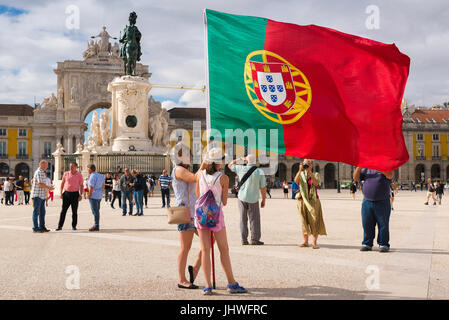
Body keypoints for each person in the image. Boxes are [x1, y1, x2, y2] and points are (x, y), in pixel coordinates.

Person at [196, 148, 247, 295]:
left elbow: (198, 194)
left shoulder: (200, 175)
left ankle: (207, 285)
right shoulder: (224, 178)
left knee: (205, 250)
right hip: (216, 216)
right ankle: (231, 283)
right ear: (220, 162)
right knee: (223, 249)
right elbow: (224, 202)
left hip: (201, 215)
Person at [171, 142, 203, 290]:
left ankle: (195, 267)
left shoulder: (185, 170)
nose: (190, 156)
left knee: (209, 240)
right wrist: (204, 162)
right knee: (185, 247)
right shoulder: (179, 170)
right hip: (185, 212)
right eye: (187, 154)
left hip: (194, 212)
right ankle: (182, 279)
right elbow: (195, 178)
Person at [228, 154, 266, 246]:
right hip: (253, 198)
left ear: (246, 161)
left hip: (242, 197)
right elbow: (263, 187)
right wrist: (264, 199)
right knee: (254, 219)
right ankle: (254, 239)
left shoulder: (241, 169)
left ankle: (244, 239)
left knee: (243, 219)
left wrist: (240, 158)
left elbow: (229, 165)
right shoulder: (259, 171)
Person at [353, 166, 394, 253]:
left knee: (383, 224)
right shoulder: (366, 168)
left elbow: (390, 175)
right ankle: (367, 243)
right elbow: (356, 178)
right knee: (367, 223)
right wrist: (359, 166)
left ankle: (383, 244)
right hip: (367, 201)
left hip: (382, 201)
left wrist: (379, 166)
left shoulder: (385, 165)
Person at [294, 159, 326, 249]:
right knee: (303, 221)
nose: (306, 166)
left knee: (314, 221)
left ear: (312, 165)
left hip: (313, 200)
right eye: (305, 164)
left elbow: (316, 183)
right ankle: (305, 242)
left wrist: (310, 173)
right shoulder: (301, 174)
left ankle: (314, 243)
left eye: (308, 164)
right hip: (302, 200)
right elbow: (296, 182)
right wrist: (300, 170)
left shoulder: (316, 174)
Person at [56, 162, 84, 231]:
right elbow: (62, 183)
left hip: (75, 194)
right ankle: (60, 226)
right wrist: (60, 193)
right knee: (63, 211)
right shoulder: (66, 173)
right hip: (66, 194)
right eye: (70, 166)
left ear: (76, 167)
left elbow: (81, 185)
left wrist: (81, 194)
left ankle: (74, 226)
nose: (70, 167)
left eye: (72, 166)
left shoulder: (79, 175)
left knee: (74, 211)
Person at [30, 160, 53, 233]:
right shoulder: (39, 172)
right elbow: (40, 183)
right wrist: (49, 188)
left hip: (41, 195)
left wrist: (48, 187)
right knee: (36, 212)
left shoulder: (42, 172)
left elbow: (42, 183)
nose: (47, 166)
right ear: (42, 165)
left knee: (42, 212)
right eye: (46, 165)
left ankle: (42, 227)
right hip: (37, 195)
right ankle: (35, 228)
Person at [87, 164, 105, 231]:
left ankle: (96, 225)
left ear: (90, 169)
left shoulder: (92, 176)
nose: (87, 170)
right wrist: (101, 193)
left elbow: (91, 187)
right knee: (97, 211)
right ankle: (96, 224)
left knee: (95, 211)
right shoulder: (101, 175)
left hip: (93, 195)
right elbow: (103, 186)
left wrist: (89, 194)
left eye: (88, 169)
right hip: (99, 195)